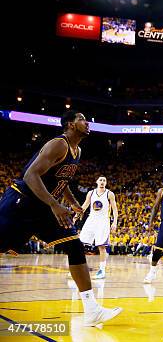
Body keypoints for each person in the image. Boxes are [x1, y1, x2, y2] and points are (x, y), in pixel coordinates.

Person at [0, 111, 122, 326]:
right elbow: (30, 176)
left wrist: (73, 203)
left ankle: (91, 309)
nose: (87, 122)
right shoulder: (59, 144)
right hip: (21, 202)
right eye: (82, 119)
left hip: (44, 208)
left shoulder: (78, 150)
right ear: (70, 125)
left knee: (74, 245)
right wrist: (55, 205)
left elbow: (61, 181)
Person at [77, 176, 118, 279]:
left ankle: (102, 271)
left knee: (102, 246)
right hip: (91, 219)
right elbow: (85, 205)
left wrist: (115, 222)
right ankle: (78, 268)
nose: (102, 182)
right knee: (80, 243)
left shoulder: (110, 194)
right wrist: (76, 216)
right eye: (100, 180)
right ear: (96, 182)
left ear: (106, 183)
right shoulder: (91, 193)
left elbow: (114, 209)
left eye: (104, 180)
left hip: (103, 221)